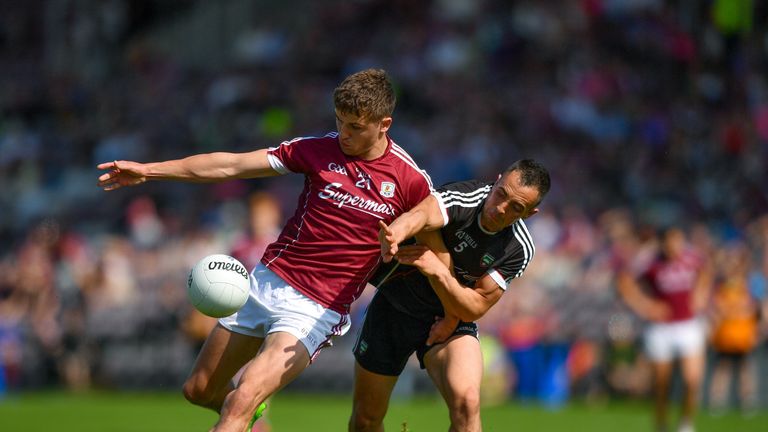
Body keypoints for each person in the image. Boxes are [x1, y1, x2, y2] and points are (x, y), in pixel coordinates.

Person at [96, 68, 433, 432]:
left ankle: (243, 414)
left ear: (385, 124)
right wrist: (149, 171)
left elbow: (436, 246)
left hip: (316, 309)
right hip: (265, 282)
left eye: (355, 126)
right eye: (339, 121)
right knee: (199, 390)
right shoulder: (316, 150)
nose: (344, 134)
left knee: (241, 399)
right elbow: (232, 164)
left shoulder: (410, 180)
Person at [348, 159, 551, 432]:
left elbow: (475, 307)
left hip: (449, 319)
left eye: (516, 207)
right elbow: (421, 214)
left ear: (530, 213)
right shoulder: (464, 196)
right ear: (497, 180)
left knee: (467, 403)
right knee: (366, 418)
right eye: (501, 193)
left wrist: (440, 273)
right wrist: (397, 232)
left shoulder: (518, 248)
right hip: (395, 307)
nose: (501, 208)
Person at [617, 227, 712, 432]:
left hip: (688, 324)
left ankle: (686, 423)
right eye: (671, 242)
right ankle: (661, 423)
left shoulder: (692, 259)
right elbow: (625, 282)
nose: (675, 247)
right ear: (662, 243)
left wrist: (701, 294)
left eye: (678, 241)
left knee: (692, 379)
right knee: (661, 383)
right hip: (661, 328)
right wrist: (645, 306)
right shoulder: (651, 263)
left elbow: (706, 273)